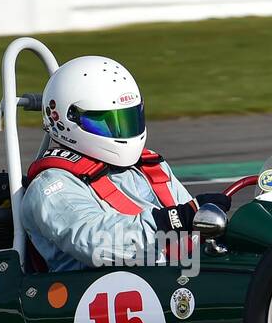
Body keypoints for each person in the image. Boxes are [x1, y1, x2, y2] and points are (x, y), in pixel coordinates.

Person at [21, 55, 227, 271]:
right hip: (98, 293)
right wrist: (172, 221)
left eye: (128, 119)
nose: (122, 132)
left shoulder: (150, 167)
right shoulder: (51, 186)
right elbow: (95, 243)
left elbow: (195, 228)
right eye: (106, 122)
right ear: (69, 119)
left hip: (174, 279)